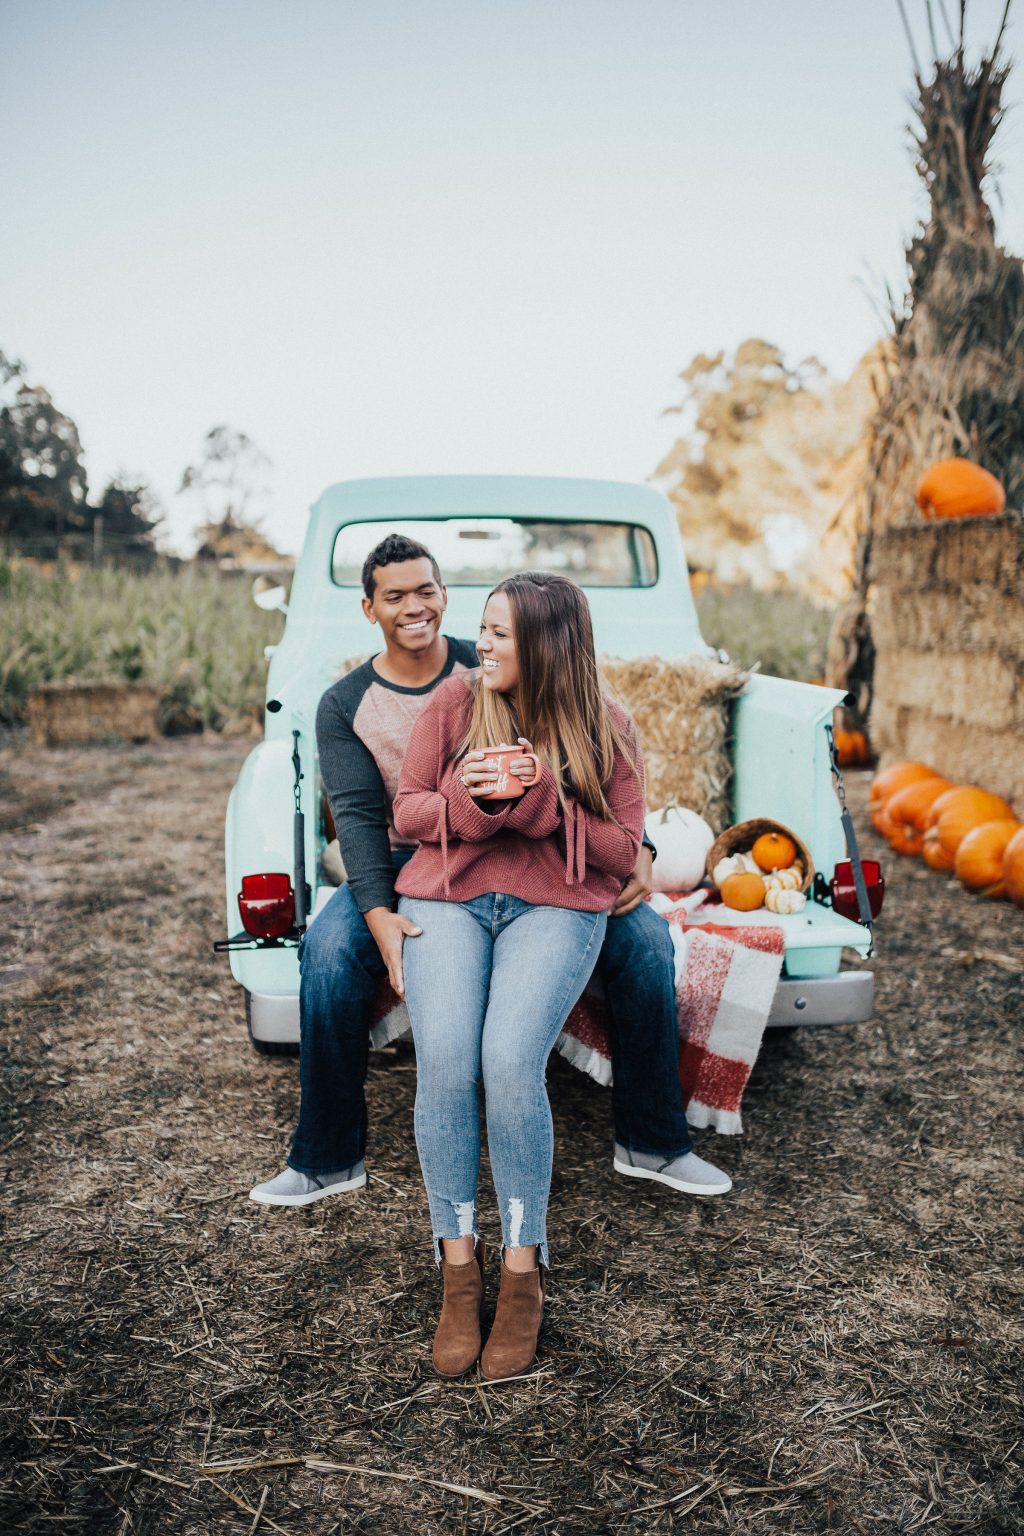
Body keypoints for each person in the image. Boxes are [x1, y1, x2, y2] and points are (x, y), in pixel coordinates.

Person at [249, 535, 730, 1215]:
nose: (415, 607)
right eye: (396, 596)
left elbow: (585, 751)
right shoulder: (350, 702)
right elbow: (362, 817)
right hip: (402, 858)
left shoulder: (491, 668)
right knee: (328, 955)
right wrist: (379, 912)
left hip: (535, 862)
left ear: (446, 596)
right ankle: (326, 1157)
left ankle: (654, 1140)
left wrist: (639, 848)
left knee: (648, 946)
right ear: (369, 609)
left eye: (427, 591)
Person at [394, 571, 658, 1378]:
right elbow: (407, 809)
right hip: (449, 897)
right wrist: (472, 806)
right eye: (484, 628)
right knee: (444, 1061)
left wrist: (547, 802)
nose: (484, 645)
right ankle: (457, 1266)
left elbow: (623, 853)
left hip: (555, 904)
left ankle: (521, 1273)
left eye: (501, 633)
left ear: (546, 644)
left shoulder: (606, 726)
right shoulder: (454, 704)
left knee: (509, 1061)